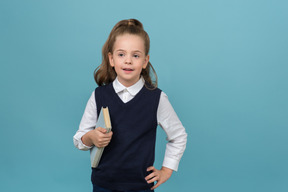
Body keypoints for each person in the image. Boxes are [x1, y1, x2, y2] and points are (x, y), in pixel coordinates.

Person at [73, 19, 187, 192]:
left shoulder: (156, 98)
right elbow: (79, 139)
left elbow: (178, 136)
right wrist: (91, 137)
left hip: (140, 186)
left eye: (135, 55)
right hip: (103, 185)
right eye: (121, 54)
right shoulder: (99, 96)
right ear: (111, 59)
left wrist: (166, 170)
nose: (128, 61)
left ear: (145, 61)